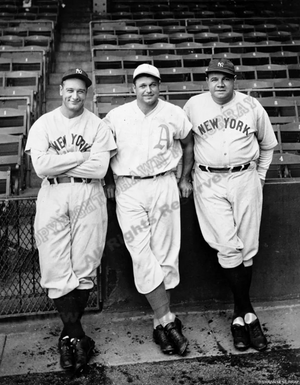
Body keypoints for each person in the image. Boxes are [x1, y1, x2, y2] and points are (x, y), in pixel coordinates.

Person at [25, 68, 116, 373]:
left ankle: (69, 339)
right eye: (70, 90)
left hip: (89, 194)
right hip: (53, 193)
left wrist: (60, 160)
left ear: (86, 93)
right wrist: (81, 157)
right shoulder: (44, 123)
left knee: (85, 264)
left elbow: (100, 168)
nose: (75, 96)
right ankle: (77, 335)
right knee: (54, 265)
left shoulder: (98, 126)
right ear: (61, 91)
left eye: (80, 91)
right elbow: (41, 166)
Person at [184, 58, 278, 352]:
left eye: (225, 78)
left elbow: (268, 145)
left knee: (247, 246)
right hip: (208, 180)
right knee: (227, 245)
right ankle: (247, 311)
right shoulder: (194, 106)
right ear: (207, 80)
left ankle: (240, 318)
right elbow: (184, 144)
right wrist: (185, 176)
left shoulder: (251, 106)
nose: (220, 84)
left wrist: (259, 176)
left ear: (234, 80)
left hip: (245, 178)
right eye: (214, 78)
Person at [103, 64, 194, 356]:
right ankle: (169, 320)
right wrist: (108, 182)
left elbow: (189, 142)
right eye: (142, 85)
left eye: (153, 84)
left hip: (164, 183)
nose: (148, 90)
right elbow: (103, 150)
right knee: (141, 254)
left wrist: (184, 177)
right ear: (134, 88)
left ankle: (160, 325)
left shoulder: (174, 112)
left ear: (159, 85)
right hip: (128, 186)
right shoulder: (117, 116)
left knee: (166, 253)